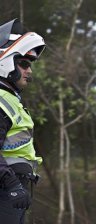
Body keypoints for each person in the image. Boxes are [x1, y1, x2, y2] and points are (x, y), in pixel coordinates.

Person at [0, 18, 45, 224]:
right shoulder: (1, 101)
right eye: (24, 64)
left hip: (13, 191)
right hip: (6, 191)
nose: (29, 71)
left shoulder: (9, 99)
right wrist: (12, 186)